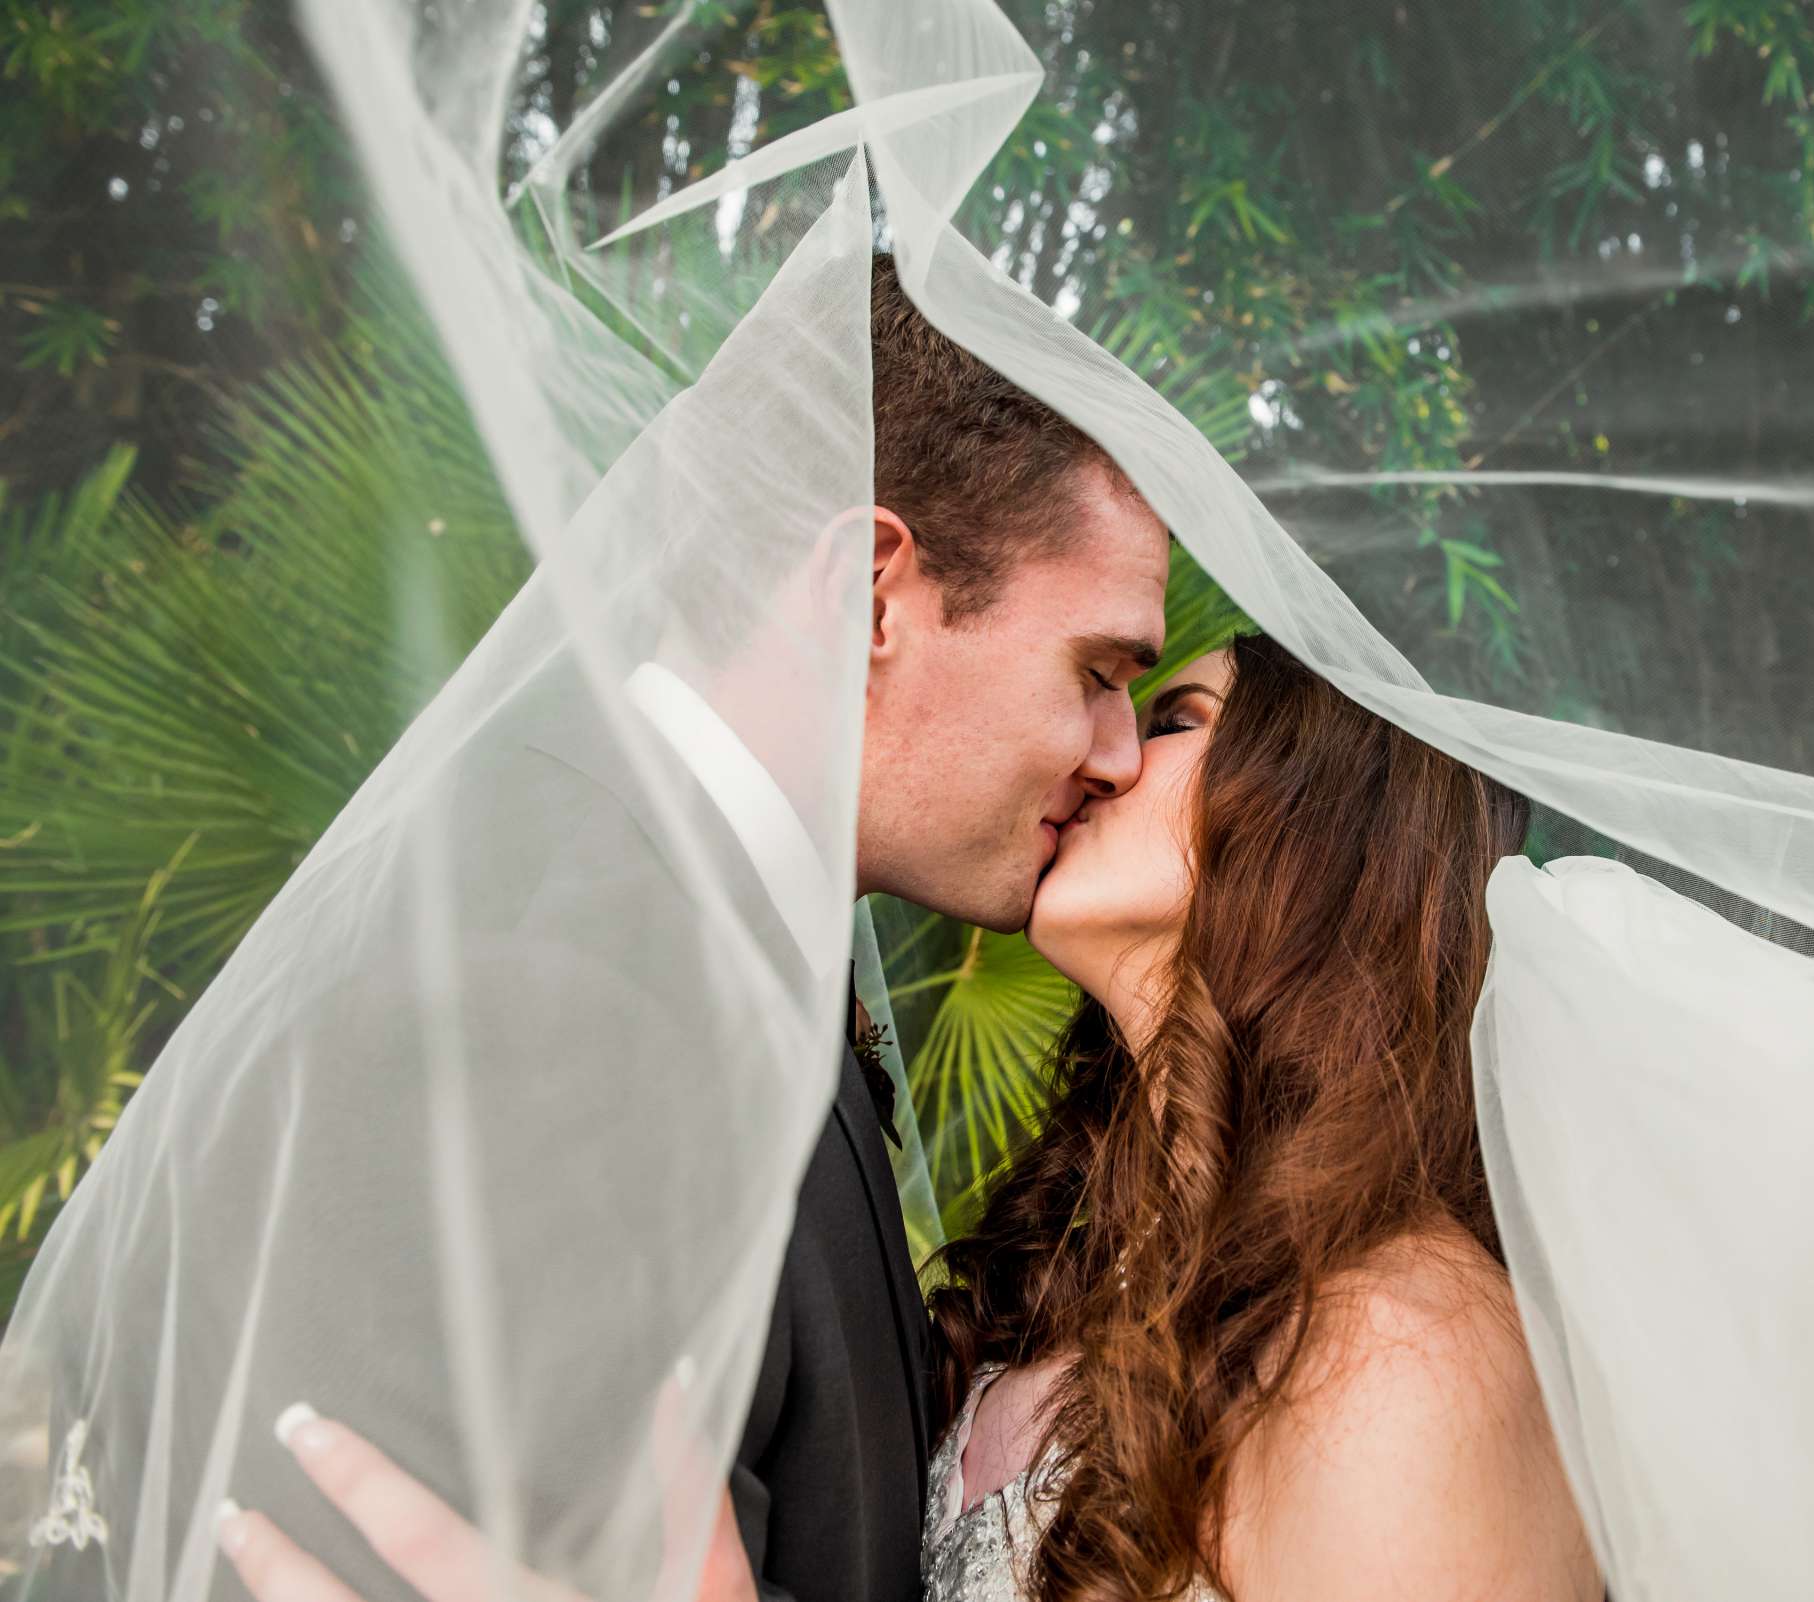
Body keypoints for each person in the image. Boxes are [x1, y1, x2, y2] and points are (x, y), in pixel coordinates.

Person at [155, 249, 1170, 1602]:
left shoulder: (705, 930)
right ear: (873, 593)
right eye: (1098, 671)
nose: (1118, 753)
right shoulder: (550, 980)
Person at [918, 632, 1602, 1601]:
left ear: (1324, 832)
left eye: (1175, 722)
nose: (1104, 758)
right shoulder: (1076, 1262)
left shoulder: (1402, 1349)